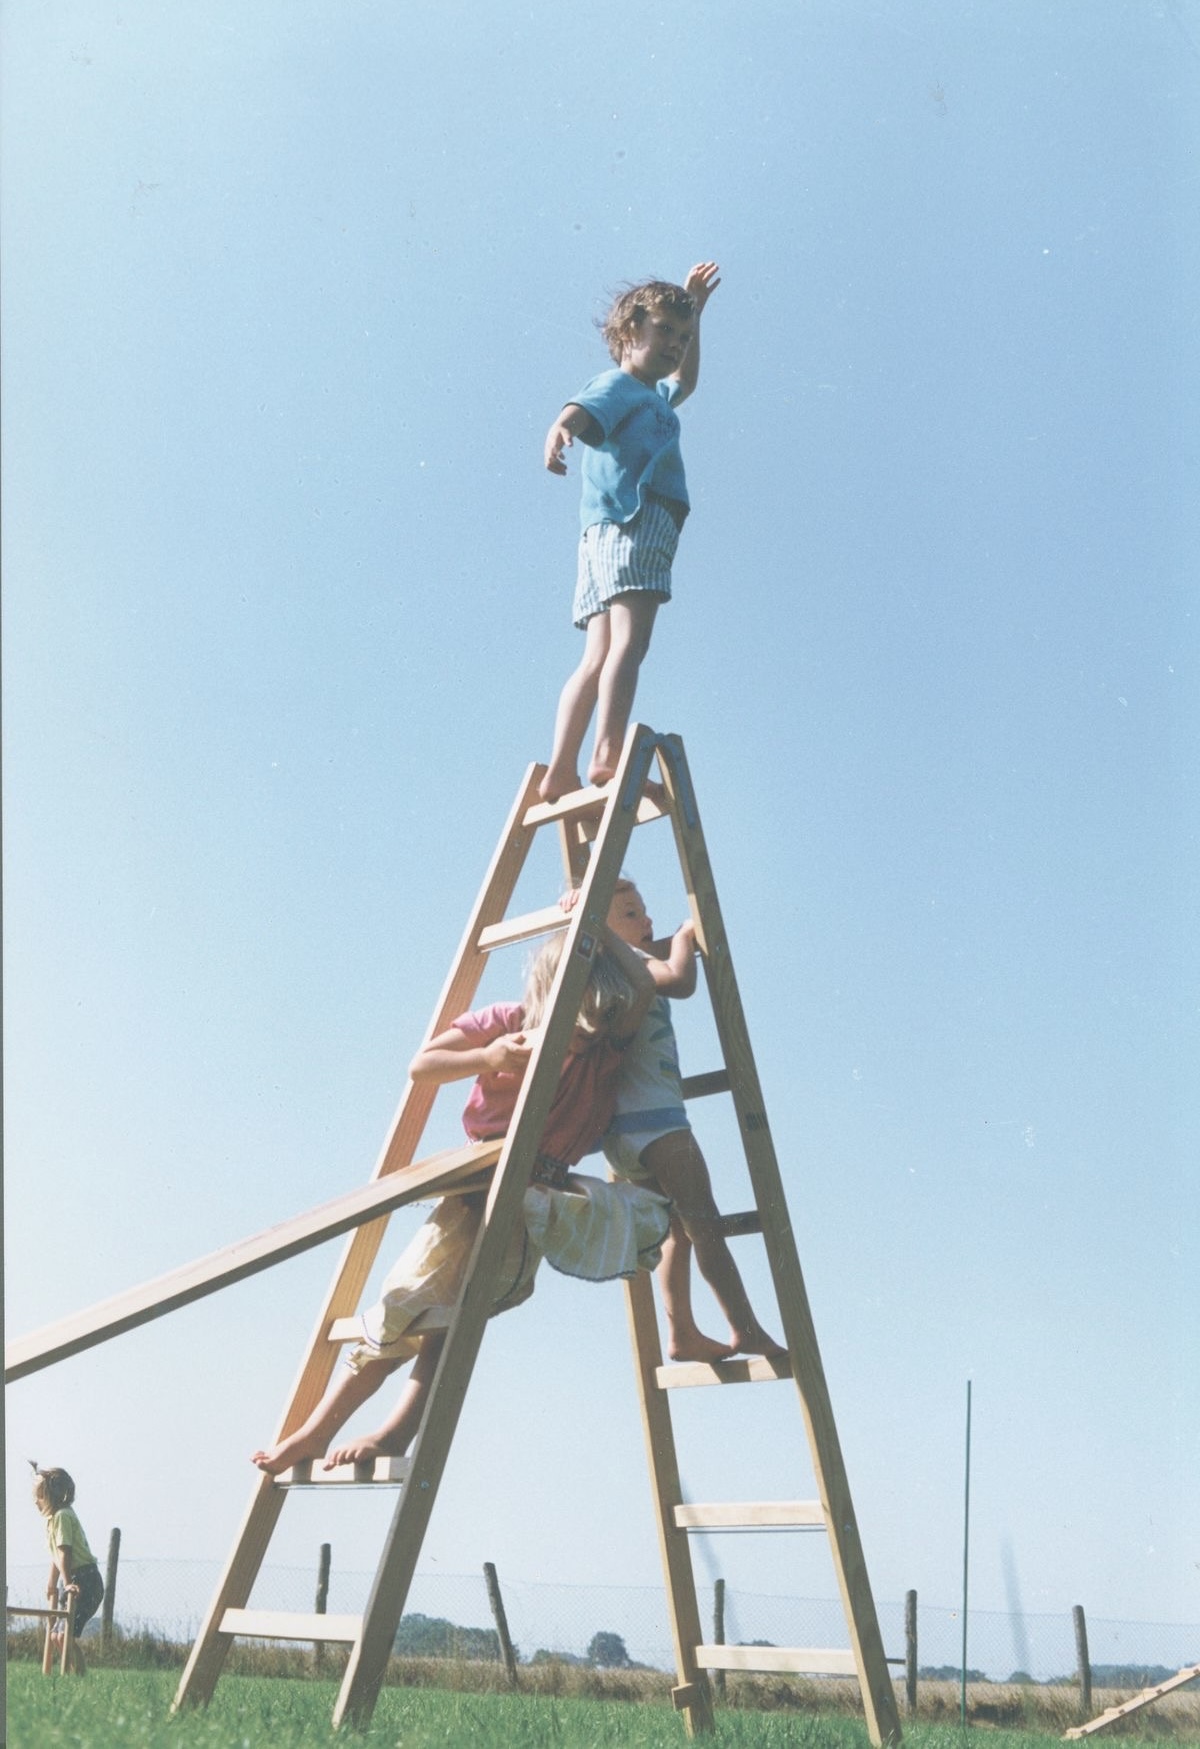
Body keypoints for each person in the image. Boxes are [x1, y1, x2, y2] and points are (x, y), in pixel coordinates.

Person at [252, 925, 669, 1476]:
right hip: (478, 1180)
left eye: (593, 1033)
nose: (585, 1042)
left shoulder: (604, 1050)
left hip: (533, 1193)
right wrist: (489, 1056)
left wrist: (595, 929)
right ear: (549, 999)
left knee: (450, 1317)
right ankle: (315, 1432)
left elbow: (640, 986)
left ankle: (395, 1430)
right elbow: (422, 1064)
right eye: (577, 1031)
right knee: (406, 1301)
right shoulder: (509, 1024)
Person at [539, 262, 721, 804]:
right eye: (664, 330)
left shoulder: (654, 397)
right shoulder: (623, 385)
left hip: (601, 535)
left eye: (682, 337)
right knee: (630, 643)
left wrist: (696, 311)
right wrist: (561, 429)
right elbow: (584, 404)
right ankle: (607, 756)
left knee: (597, 655)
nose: (675, 344)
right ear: (627, 333)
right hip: (634, 522)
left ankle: (560, 770)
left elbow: (685, 381)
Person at [595, 878, 786, 1364]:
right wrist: (684, 938)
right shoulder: (633, 962)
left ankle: (682, 1333)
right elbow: (680, 981)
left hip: (624, 1131)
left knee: (678, 1231)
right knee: (707, 1227)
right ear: (606, 925)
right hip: (659, 1124)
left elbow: (648, 947)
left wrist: (660, 935)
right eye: (632, 913)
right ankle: (745, 1328)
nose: (647, 921)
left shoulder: (607, 961)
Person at [33, 1465, 104, 1674]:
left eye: (39, 1496)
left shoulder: (63, 1516)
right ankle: (76, 1676)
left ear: (52, 1496)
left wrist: (66, 1583)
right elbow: (56, 1557)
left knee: (64, 1636)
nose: (35, 1501)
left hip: (85, 1580)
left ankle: (81, 1678)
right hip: (72, 1578)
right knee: (56, 1636)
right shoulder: (52, 1520)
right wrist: (51, 1585)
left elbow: (65, 1553)